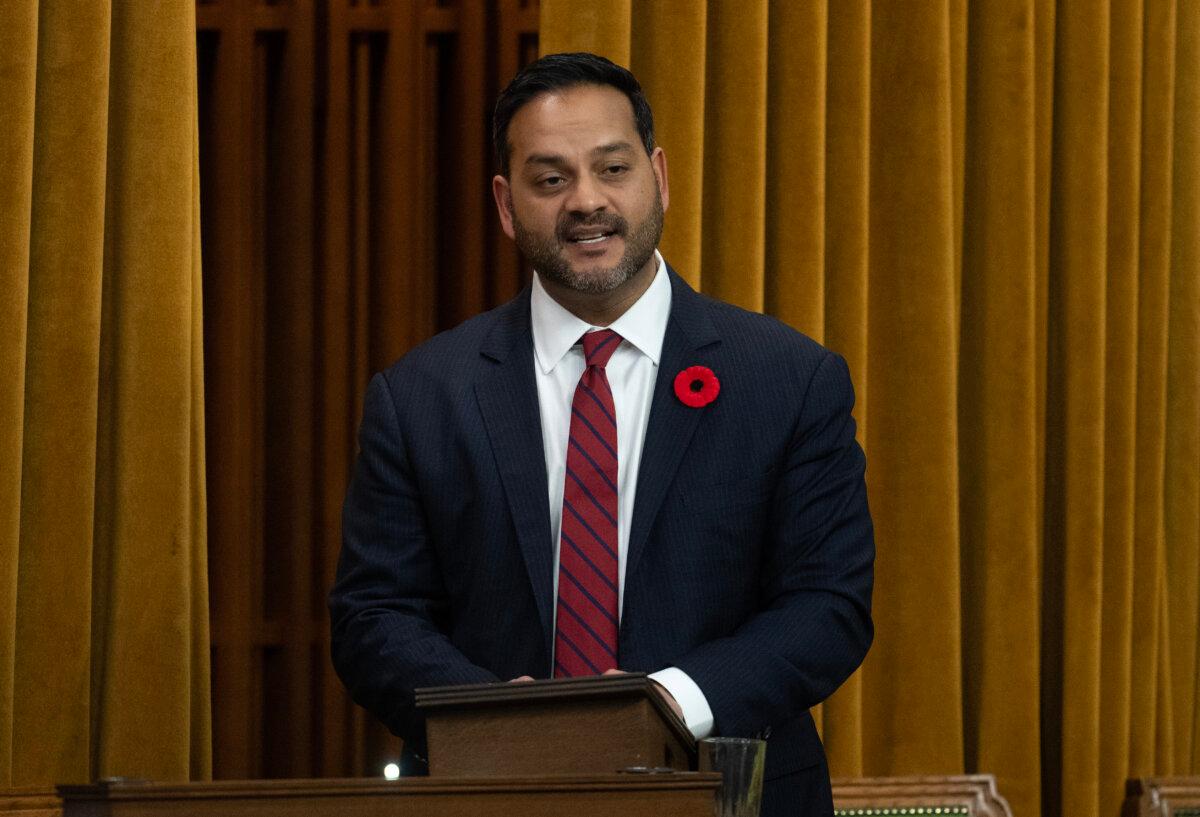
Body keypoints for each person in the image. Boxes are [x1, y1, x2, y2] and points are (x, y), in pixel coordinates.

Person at [329, 52, 874, 817]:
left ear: (658, 176)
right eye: (551, 179)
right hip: (494, 800)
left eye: (611, 169)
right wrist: (495, 719)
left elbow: (829, 604)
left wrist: (662, 706)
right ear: (506, 203)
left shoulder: (788, 379)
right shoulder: (422, 396)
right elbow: (372, 617)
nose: (586, 201)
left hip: (729, 797)